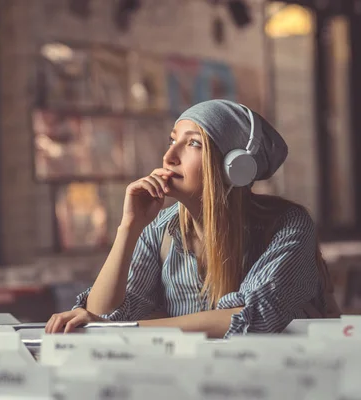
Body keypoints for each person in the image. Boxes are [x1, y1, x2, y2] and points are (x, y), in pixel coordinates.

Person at [45, 99, 340, 338]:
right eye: (173, 140)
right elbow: (104, 313)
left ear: (235, 167)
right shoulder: (158, 230)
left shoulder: (288, 224)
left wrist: (125, 329)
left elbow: (251, 317)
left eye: (194, 143)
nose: (169, 156)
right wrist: (129, 227)